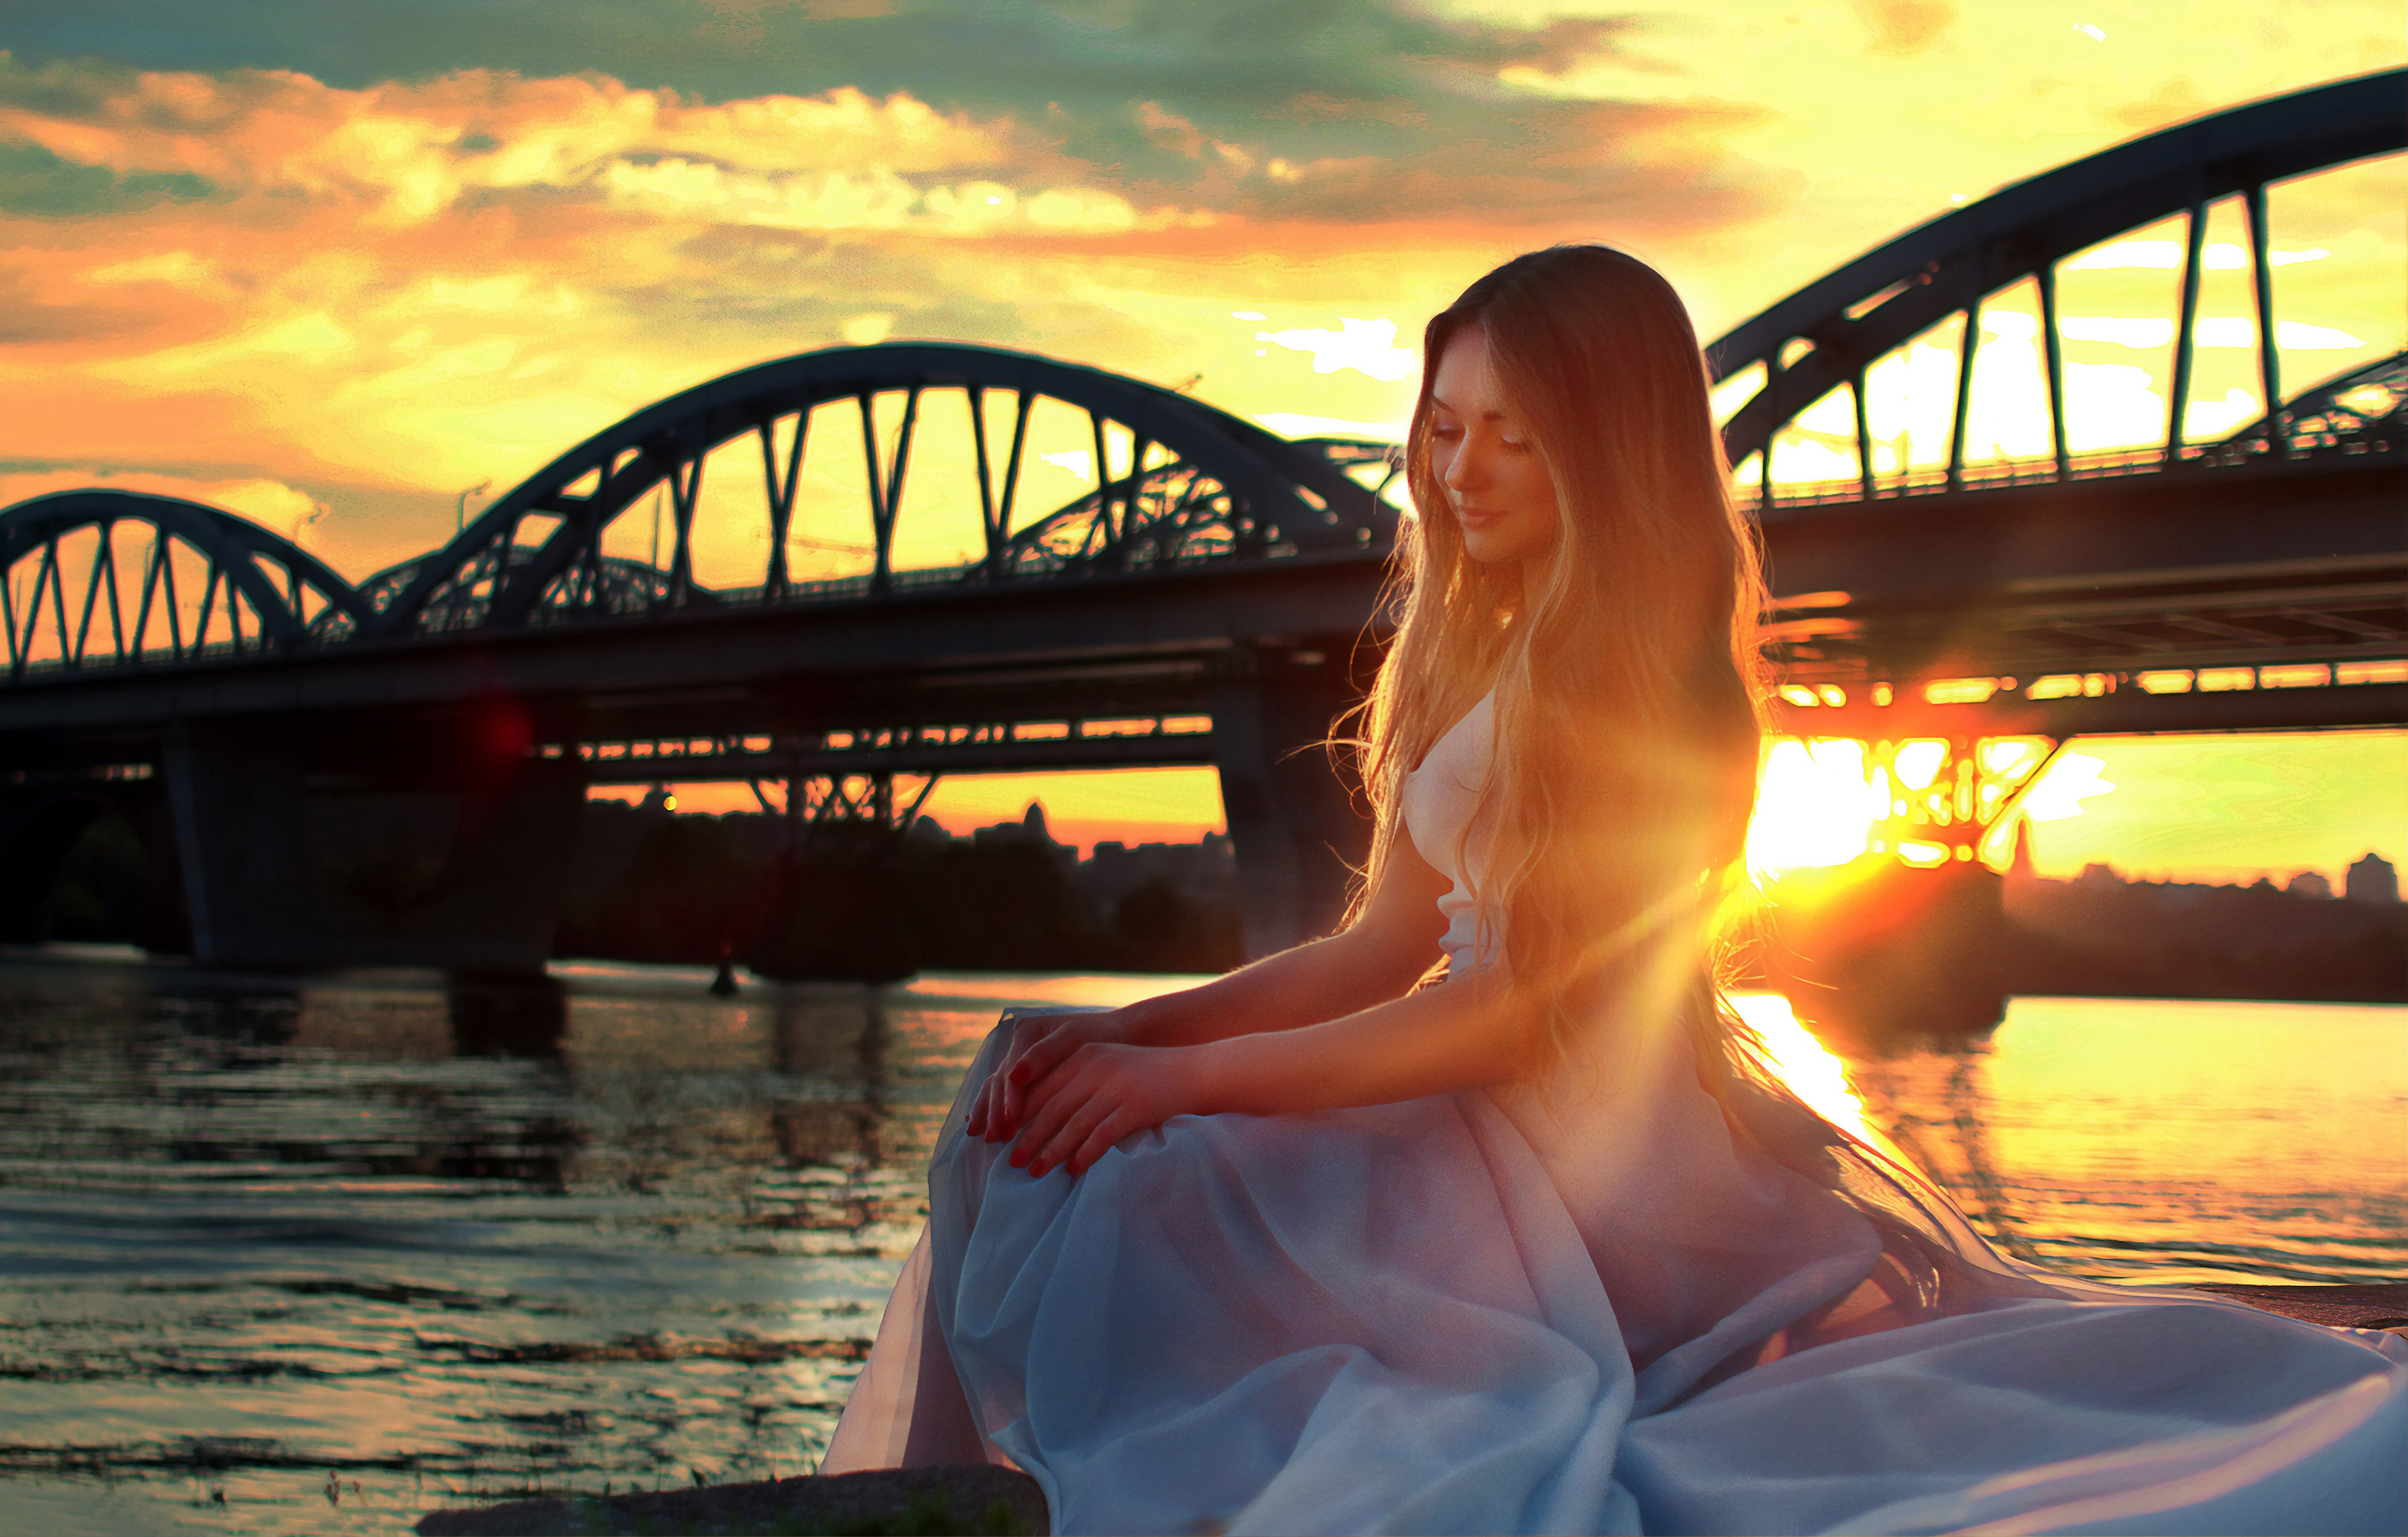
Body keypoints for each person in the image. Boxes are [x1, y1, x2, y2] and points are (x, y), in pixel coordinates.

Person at [821, 246, 2406, 1534]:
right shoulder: (1485, 648)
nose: (1464, 469)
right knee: (1035, 1077)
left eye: (1517, 434)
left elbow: (1513, 1014)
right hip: (1484, 1116)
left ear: (1612, 447)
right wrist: (1144, 1032)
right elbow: (1382, 946)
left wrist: (1188, 1081)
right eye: (1445, 426)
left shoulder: (1637, 684)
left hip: (1587, 1159)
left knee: (1144, 1173)